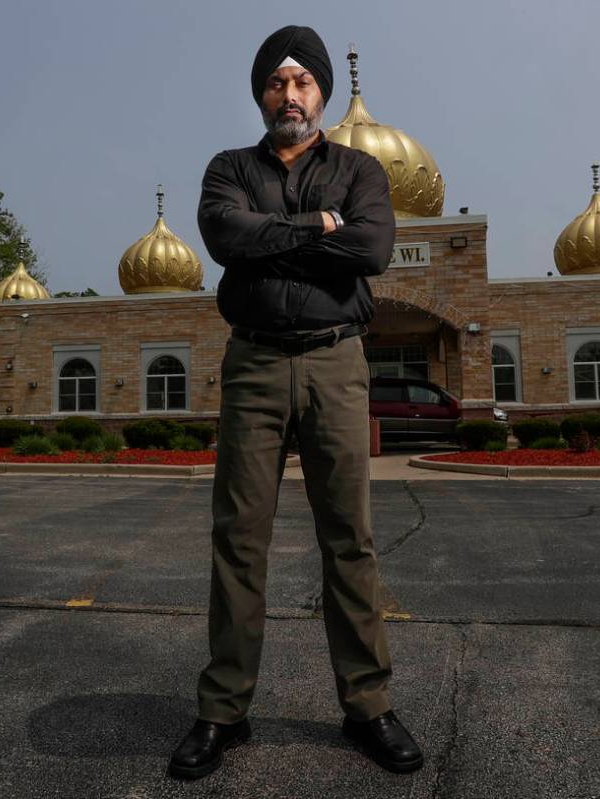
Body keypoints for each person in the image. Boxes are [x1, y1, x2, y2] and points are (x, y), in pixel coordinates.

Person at [167, 25, 423, 780]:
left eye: (302, 82)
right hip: (253, 362)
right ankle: (224, 709)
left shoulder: (360, 169)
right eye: (277, 83)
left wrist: (271, 237)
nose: (290, 95)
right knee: (240, 539)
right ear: (262, 94)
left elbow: (372, 250)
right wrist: (316, 226)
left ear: (321, 92)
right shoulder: (229, 168)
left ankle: (368, 704)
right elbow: (224, 235)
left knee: (349, 536)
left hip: (336, 362)